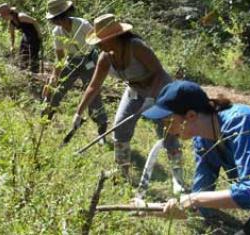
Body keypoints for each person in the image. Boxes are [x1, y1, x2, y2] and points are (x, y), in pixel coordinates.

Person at [141, 80, 250, 235]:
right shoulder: (203, 141)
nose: (166, 128)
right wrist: (164, 208)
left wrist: (193, 200)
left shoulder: (241, 122)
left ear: (191, 116)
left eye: (168, 121)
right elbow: (201, 194)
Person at [73, 13, 186, 193]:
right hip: (135, 90)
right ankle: (122, 171)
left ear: (114, 38)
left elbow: (158, 72)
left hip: (160, 89)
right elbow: (93, 86)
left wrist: (152, 98)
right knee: (120, 128)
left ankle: (178, 180)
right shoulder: (105, 57)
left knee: (168, 134)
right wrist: (79, 112)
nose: (99, 44)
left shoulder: (136, 47)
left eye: (102, 40)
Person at [42, 0, 108, 140]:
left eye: (60, 17)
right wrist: (54, 76)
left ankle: (102, 130)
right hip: (72, 60)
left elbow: (99, 43)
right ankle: (44, 123)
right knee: (56, 90)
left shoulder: (82, 25)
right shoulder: (57, 32)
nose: (59, 21)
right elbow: (60, 57)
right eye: (55, 19)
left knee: (93, 95)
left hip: (89, 61)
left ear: (66, 13)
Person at [0, 3, 41, 73]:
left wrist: (39, 34)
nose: (2, 18)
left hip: (34, 36)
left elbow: (34, 21)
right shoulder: (11, 23)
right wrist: (12, 45)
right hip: (26, 36)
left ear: (6, 13)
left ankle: (35, 73)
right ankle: (24, 71)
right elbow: (12, 35)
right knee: (22, 54)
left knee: (33, 55)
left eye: (2, 15)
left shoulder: (21, 17)